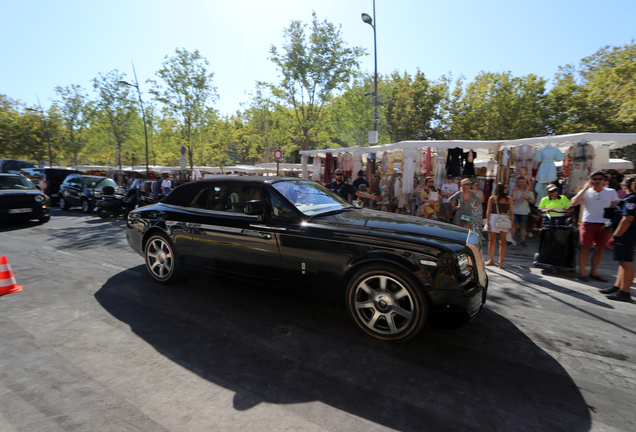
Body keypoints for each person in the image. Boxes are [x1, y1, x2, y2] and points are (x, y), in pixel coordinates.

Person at [570, 170, 619, 283]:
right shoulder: (586, 192)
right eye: (595, 179)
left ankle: (594, 272)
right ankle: (582, 273)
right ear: (591, 180)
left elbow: (614, 209)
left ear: (604, 180)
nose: (597, 181)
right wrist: (585, 189)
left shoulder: (611, 192)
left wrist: (612, 224)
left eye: (600, 179)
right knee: (585, 248)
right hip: (588, 223)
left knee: (600, 249)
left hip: (605, 224)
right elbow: (574, 203)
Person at [601, 177, 635, 302]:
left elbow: (627, 219)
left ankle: (625, 292)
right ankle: (618, 287)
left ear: (626, 185)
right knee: (622, 262)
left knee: (626, 263)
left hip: (626, 234)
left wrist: (615, 236)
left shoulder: (632, 199)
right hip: (625, 234)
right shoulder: (629, 198)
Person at [485, 182, 514, 269]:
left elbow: (511, 212)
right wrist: (488, 222)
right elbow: (488, 211)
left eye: (507, 187)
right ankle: (491, 259)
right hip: (494, 217)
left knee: (503, 241)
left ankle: (500, 261)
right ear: (500, 188)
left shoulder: (509, 199)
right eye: (505, 187)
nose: (507, 189)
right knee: (491, 241)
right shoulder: (492, 198)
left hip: (504, 217)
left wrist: (511, 224)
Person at [511, 176, 536, 248]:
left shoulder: (529, 191)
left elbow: (533, 201)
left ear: (525, 183)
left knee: (523, 226)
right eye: (520, 182)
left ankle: (523, 241)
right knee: (514, 226)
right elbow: (510, 199)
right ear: (518, 183)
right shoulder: (515, 190)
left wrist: (527, 198)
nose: (521, 183)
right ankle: (512, 240)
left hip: (524, 211)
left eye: (523, 182)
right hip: (515, 211)